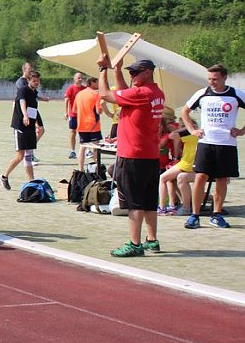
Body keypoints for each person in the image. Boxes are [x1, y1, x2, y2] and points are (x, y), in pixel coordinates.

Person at [97, 57, 165, 257]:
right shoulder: (156, 93)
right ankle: (152, 240)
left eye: (136, 72)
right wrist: (117, 70)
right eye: (131, 72)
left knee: (134, 202)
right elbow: (126, 92)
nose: (132, 76)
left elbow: (105, 94)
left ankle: (135, 244)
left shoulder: (141, 93)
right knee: (149, 201)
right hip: (150, 155)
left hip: (133, 155)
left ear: (147, 72)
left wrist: (103, 69)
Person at [181, 64, 245, 228]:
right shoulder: (202, 93)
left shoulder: (236, 94)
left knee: (222, 179)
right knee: (200, 177)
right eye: (209, 79)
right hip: (206, 143)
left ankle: (216, 214)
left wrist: (241, 131)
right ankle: (195, 215)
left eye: (215, 79)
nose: (212, 82)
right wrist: (192, 130)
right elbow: (185, 111)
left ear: (224, 78)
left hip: (226, 143)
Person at [0, 70, 43, 190]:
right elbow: (22, 102)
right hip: (20, 126)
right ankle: (4, 176)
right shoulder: (23, 90)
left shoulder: (34, 92)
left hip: (30, 125)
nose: (36, 83)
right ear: (28, 81)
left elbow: (33, 103)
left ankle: (31, 181)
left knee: (29, 155)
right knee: (20, 155)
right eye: (34, 81)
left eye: (38, 81)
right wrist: (25, 115)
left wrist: (43, 99)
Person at [158, 119, 198, 215]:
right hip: (188, 164)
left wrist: (184, 128)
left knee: (163, 178)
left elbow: (173, 136)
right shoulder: (197, 135)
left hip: (186, 164)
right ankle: (172, 205)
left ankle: (162, 207)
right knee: (170, 179)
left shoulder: (189, 135)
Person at [75, 76, 103, 171]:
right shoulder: (96, 94)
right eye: (97, 82)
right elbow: (99, 110)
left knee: (82, 147)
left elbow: (74, 110)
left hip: (81, 125)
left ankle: (81, 169)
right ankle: (97, 169)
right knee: (95, 147)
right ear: (92, 82)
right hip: (93, 125)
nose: (99, 85)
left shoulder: (79, 94)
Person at [64, 72, 85, 158]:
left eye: (81, 77)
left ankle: (86, 150)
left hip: (83, 115)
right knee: (73, 131)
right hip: (73, 114)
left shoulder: (85, 89)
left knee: (84, 132)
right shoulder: (71, 89)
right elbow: (66, 100)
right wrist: (66, 112)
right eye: (78, 78)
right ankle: (72, 151)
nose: (80, 79)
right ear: (74, 79)